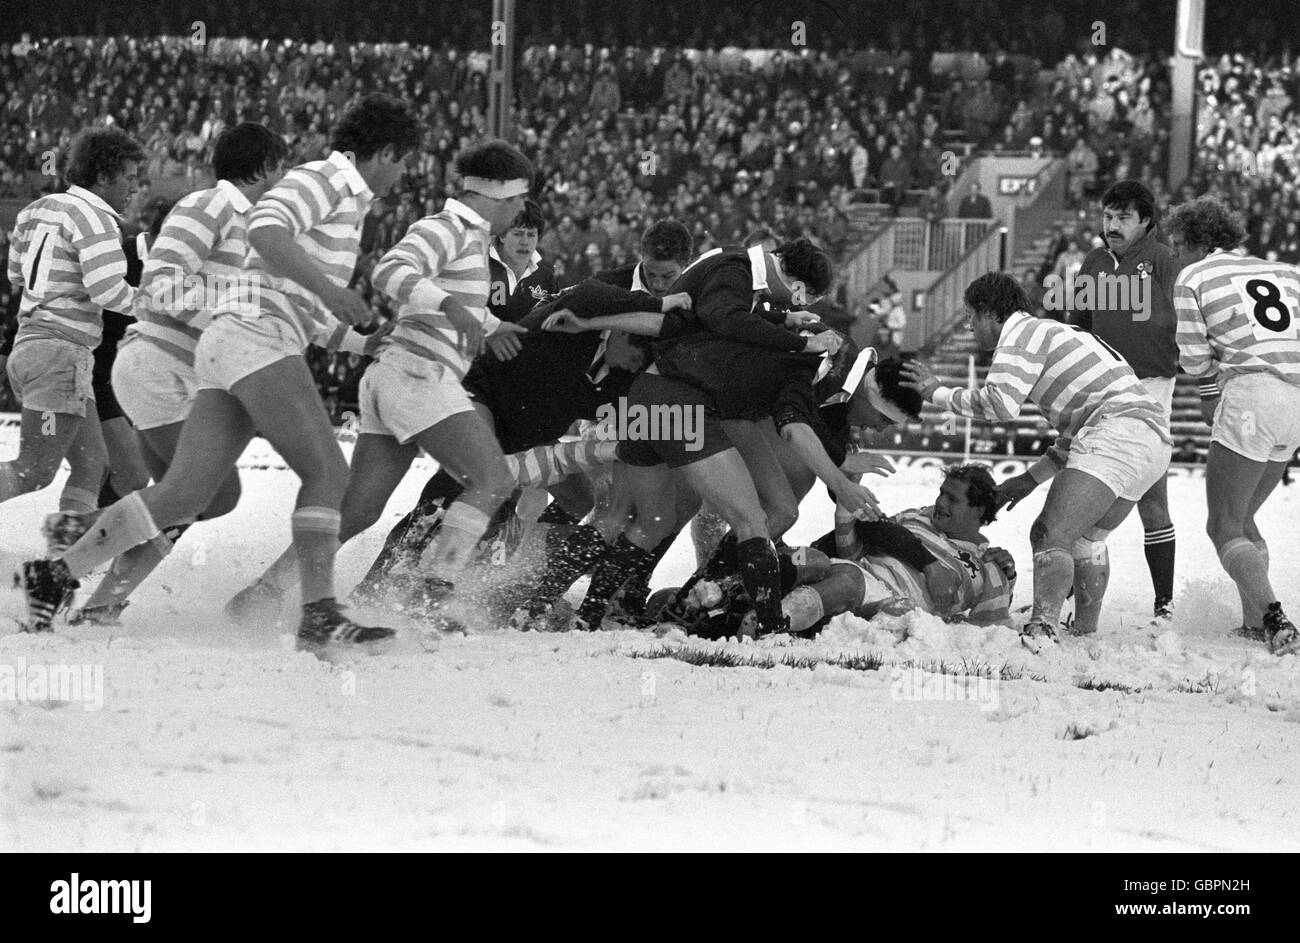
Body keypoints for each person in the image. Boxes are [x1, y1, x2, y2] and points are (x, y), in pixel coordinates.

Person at [20, 94, 421, 652]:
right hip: (195, 352)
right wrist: (329, 291)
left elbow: (282, 287)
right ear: (384, 152)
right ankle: (319, 613)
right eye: (403, 162)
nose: (403, 175)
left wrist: (358, 338)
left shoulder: (335, 200)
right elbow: (257, 243)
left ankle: (60, 572)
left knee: (192, 494)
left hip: (222, 348)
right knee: (327, 472)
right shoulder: (320, 181)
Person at [223, 139, 535, 631]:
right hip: (416, 376)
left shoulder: (466, 238)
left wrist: (492, 328)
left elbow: (440, 296)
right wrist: (454, 309)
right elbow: (392, 270)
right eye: (519, 200)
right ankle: (435, 597)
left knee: (358, 510)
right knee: (494, 479)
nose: (521, 211)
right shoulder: (448, 228)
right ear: (498, 196)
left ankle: (265, 590)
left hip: (391, 378)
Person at [67, 123, 287, 625]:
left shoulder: (251, 224)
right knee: (212, 493)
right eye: (283, 168)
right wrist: (230, 316)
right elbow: (161, 286)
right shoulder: (210, 205)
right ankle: (71, 551)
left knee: (181, 505)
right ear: (267, 166)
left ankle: (100, 602)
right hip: (160, 368)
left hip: (179, 375)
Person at [900, 272, 1170, 649]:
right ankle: (1083, 633)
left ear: (991, 313)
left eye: (972, 317)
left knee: (1049, 533)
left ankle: (1043, 627)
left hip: (1117, 428)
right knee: (1086, 540)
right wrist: (1029, 479)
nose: (970, 326)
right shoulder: (1058, 333)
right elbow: (1074, 432)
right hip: (1152, 439)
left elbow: (1000, 404)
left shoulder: (1019, 334)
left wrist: (937, 392)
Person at [1168, 196, 1299, 655]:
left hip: (1252, 393)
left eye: (1177, 246)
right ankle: (1253, 623)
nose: (1175, 257)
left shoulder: (1193, 276)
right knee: (1244, 518)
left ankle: (1276, 619)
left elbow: (1194, 357)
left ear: (1194, 242)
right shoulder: (1287, 271)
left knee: (1222, 524)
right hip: (1297, 398)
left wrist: (1209, 395)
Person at [1, 128, 143, 524]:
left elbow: (15, 275)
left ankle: (65, 557)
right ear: (103, 177)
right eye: (129, 177)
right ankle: (65, 555)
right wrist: (158, 305)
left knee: (91, 465)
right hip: (60, 352)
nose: (135, 187)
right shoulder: (96, 219)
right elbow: (108, 291)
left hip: (33, 348)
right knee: (34, 470)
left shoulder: (34, 209)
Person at [1068, 180, 1181, 622]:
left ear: (1146, 221)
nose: (1112, 226)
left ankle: (1164, 605)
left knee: (1148, 500)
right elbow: (1077, 325)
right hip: (1100, 391)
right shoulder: (1093, 262)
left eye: (1123, 218)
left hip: (1149, 389)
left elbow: (1191, 316)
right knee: (1092, 489)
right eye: (1107, 217)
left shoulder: (1164, 261)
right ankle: (1066, 593)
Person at [758, 465, 1017, 635]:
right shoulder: (916, 517)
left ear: (979, 510)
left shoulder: (987, 562)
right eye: (941, 493)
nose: (940, 502)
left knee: (848, 581)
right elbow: (863, 534)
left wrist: (1010, 578)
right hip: (854, 570)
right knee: (809, 559)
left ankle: (769, 627)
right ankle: (733, 592)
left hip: (884, 599)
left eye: (953, 498)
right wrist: (845, 510)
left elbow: (990, 629)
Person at [487, 198, 557, 324]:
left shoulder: (547, 276)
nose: (525, 242)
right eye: (518, 234)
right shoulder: (480, 265)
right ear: (502, 235)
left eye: (531, 235)